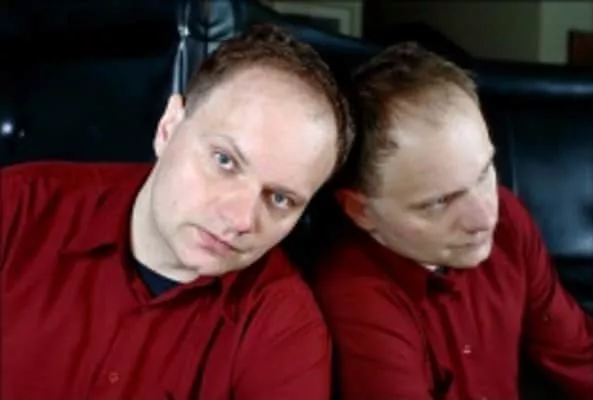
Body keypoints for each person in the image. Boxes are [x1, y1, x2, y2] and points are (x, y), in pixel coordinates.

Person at [1, 24, 353, 400]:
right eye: (224, 161)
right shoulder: (15, 206)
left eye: (280, 199)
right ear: (168, 127)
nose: (240, 220)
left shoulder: (285, 330)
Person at [312, 42, 593, 400]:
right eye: (439, 202)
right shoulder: (355, 296)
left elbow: (576, 353)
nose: (485, 218)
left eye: (484, 172)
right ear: (360, 211)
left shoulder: (507, 218)